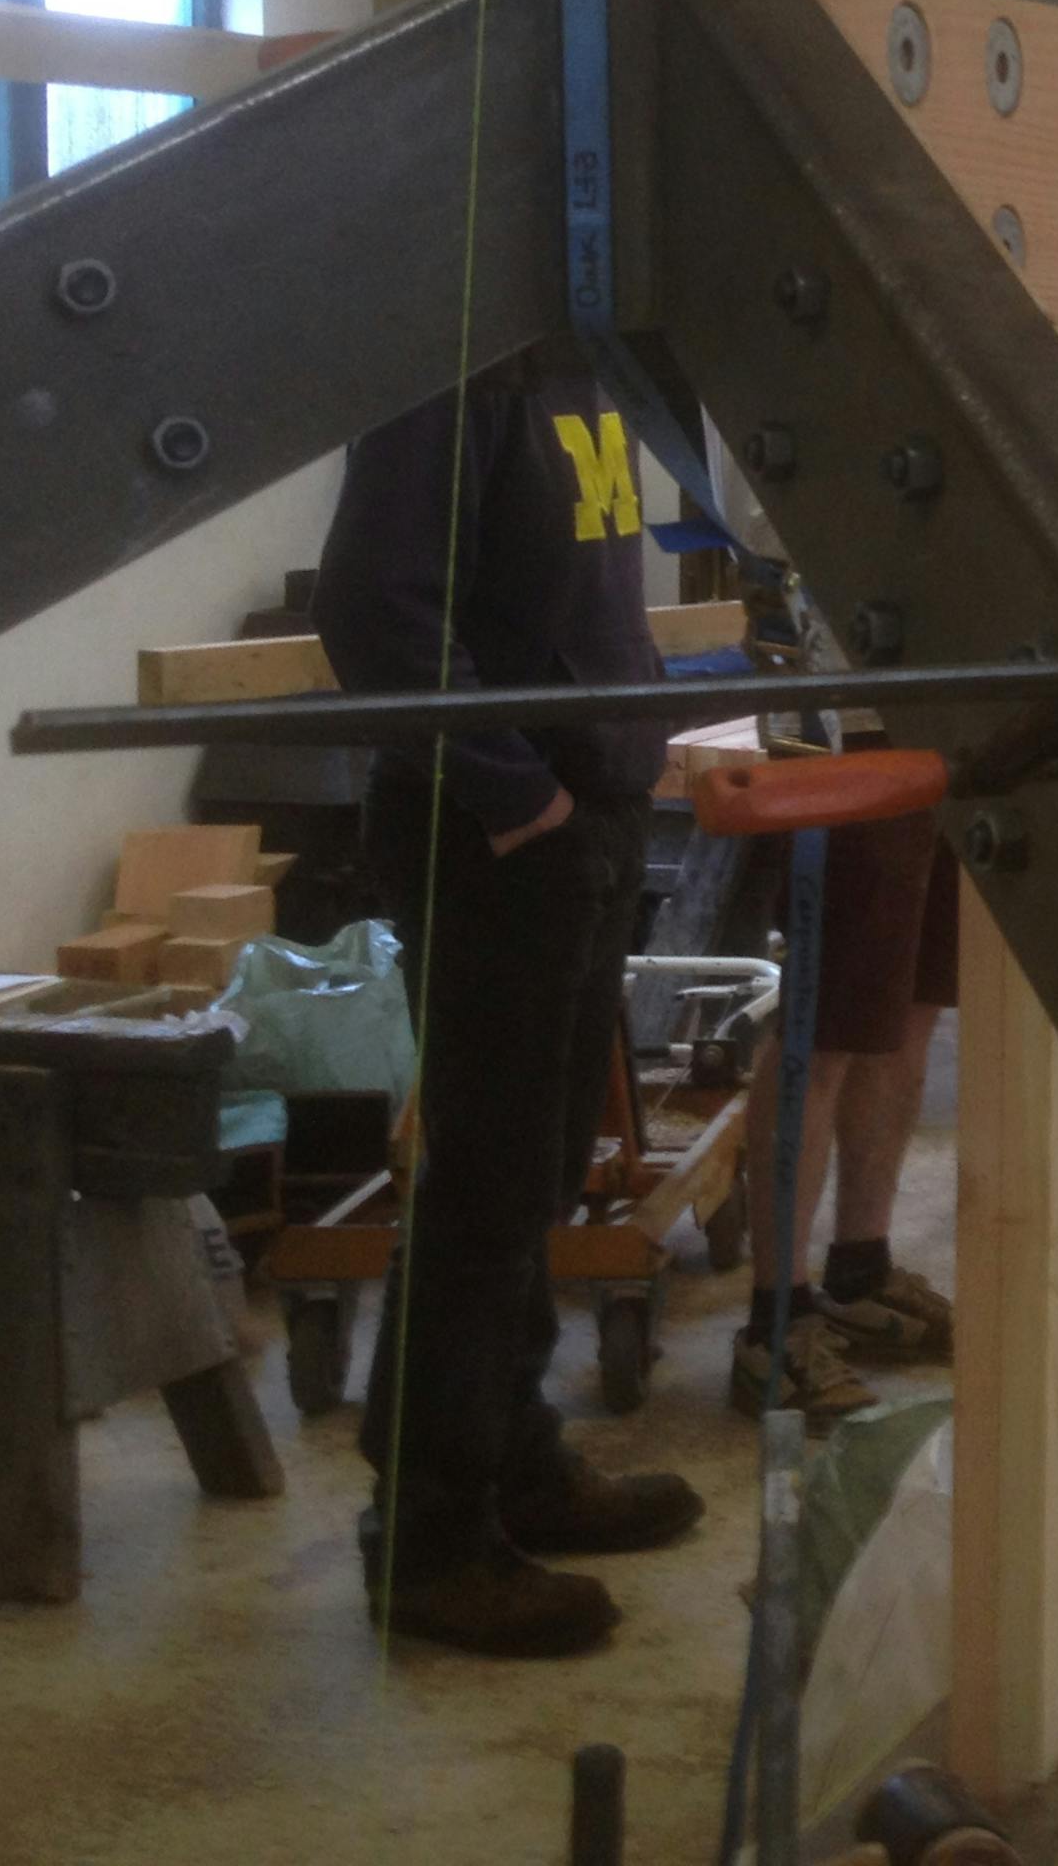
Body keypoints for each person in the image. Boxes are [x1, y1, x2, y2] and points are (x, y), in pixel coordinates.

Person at [312, 341, 705, 1656]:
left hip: (579, 813)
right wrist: (506, 788)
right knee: (481, 1188)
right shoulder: (457, 364)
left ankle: (516, 1458)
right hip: (496, 836)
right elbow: (373, 608)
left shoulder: (580, 369)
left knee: (536, 1172)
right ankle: (427, 1538)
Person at [729, 812, 959, 1430]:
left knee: (909, 1012)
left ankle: (862, 1272)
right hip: (851, 743)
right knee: (826, 1025)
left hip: (955, 742)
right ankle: (776, 1319)